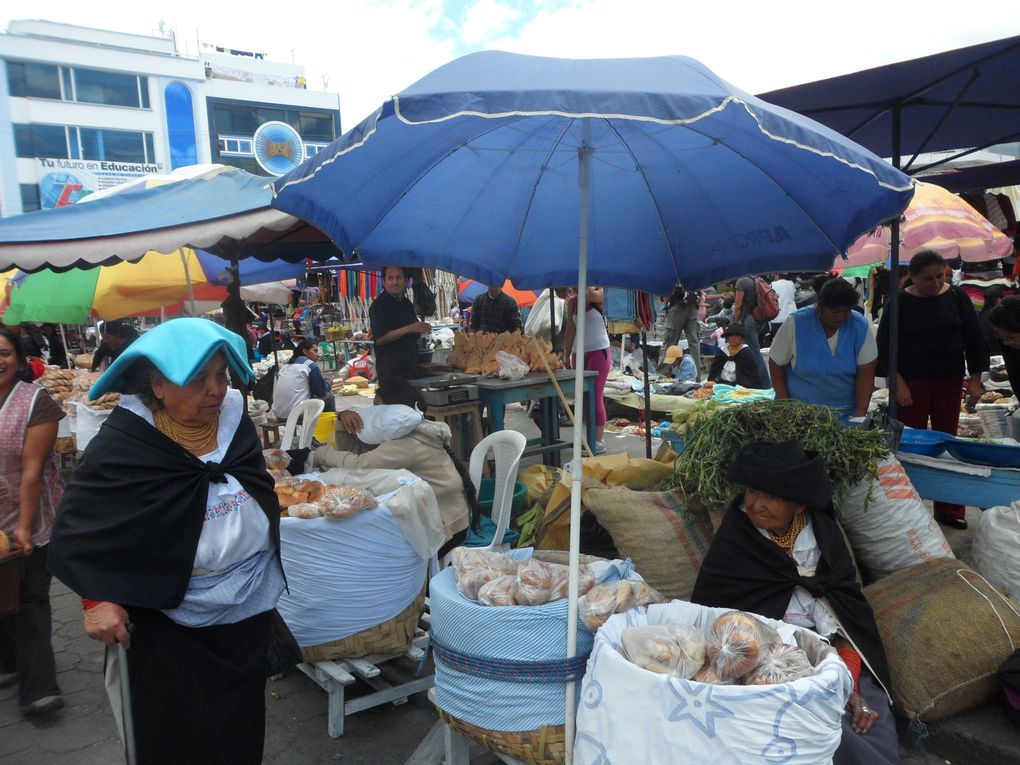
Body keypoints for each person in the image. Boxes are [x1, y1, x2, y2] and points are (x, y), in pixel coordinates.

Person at [48, 318, 286, 763]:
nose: (214, 390)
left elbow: (256, 483)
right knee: (177, 736)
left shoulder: (235, 422)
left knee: (240, 730)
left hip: (246, 613)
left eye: (221, 375)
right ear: (156, 385)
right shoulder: (125, 443)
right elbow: (78, 528)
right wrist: (94, 599)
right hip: (166, 623)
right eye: (197, 380)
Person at [691, 441, 899, 765]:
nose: (755, 504)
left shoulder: (822, 536)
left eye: (771, 496)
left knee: (870, 714)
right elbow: (717, 612)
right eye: (751, 492)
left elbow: (846, 605)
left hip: (827, 646)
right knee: (816, 721)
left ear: (799, 505)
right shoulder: (737, 539)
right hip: (761, 656)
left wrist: (846, 678)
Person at [877, 250, 989, 530]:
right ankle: (906, 507)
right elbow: (886, 345)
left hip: (949, 381)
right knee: (909, 445)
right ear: (912, 277)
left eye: (940, 276)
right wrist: (897, 381)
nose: (935, 282)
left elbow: (975, 339)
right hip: (910, 384)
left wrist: (975, 380)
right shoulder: (899, 302)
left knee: (948, 444)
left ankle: (949, 508)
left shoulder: (957, 297)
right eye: (927, 279)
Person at [312, 378, 478, 557]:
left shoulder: (408, 444)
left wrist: (321, 453)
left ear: (395, 411)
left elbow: (359, 464)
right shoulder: (409, 432)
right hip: (444, 518)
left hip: (445, 528)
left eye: (377, 406)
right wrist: (344, 423)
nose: (371, 412)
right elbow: (359, 455)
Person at [0, 327, 66, 716]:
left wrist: (23, 528)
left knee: (29, 599)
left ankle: (40, 687)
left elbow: (31, 471)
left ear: (20, 360)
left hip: (35, 518)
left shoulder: (35, 403)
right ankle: (7, 662)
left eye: (4, 353)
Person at [769, 278, 878, 423]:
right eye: (835, 312)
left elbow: (866, 373)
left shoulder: (860, 326)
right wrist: (786, 406)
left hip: (844, 415)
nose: (842, 317)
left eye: (847, 311)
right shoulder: (796, 323)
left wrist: (860, 414)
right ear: (820, 308)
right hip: (800, 415)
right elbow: (776, 364)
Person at [563, 286, 612, 455]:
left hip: (599, 351)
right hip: (579, 353)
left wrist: (584, 283)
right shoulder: (572, 302)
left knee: (595, 395)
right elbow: (571, 328)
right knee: (582, 397)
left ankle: (598, 441)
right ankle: (587, 437)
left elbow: (591, 294)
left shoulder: (597, 292)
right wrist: (566, 354)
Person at [369, 266, 432, 384]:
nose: (395, 282)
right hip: (390, 371)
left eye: (399, 278)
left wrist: (421, 329)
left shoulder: (406, 304)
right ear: (384, 282)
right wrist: (407, 329)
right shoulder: (378, 306)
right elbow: (380, 339)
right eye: (390, 278)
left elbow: (413, 332)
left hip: (410, 367)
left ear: (405, 280)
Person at [271, 338, 335, 420]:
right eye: (315, 351)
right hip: (295, 413)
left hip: (278, 413)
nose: (318, 355)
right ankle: (328, 427)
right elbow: (320, 391)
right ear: (305, 351)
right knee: (329, 397)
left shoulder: (285, 366)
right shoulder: (310, 365)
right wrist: (328, 384)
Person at [732, 274, 771, 386]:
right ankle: (748, 382)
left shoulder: (742, 281)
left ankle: (766, 384)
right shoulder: (757, 279)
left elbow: (738, 305)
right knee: (747, 351)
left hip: (747, 321)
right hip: (758, 320)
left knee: (754, 352)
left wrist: (736, 322)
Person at [662, 284, 702, 376]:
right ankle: (696, 376)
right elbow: (701, 288)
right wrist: (697, 305)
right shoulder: (695, 270)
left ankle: (664, 375)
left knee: (670, 342)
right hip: (692, 305)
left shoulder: (672, 269)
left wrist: (665, 307)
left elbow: (666, 289)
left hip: (677, 305)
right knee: (694, 343)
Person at [707, 323, 763, 388]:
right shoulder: (722, 352)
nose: (734, 337)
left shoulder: (746, 353)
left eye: (737, 335)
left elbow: (753, 376)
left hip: (742, 386)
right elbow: (714, 372)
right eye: (731, 335)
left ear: (742, 338)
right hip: (721, 384)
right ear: (727, 338)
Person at [987, 296, 1020, 392]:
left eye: (1011, 338)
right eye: (1002, 338)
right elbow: (1015, 377)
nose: (1006, 343)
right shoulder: (1005, 343)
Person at [979, 285, 1006, 356]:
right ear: (998, 299)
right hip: (998, 353)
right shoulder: (1000, 315)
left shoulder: (980, 315)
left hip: (983, 353)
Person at [769, 273, 797, 338]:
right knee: (792, 340)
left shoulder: (771, 285)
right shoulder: (790, 283)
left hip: (776, 318)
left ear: (777, 275)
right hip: (791, 316)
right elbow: (793, 295)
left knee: (778, 341)